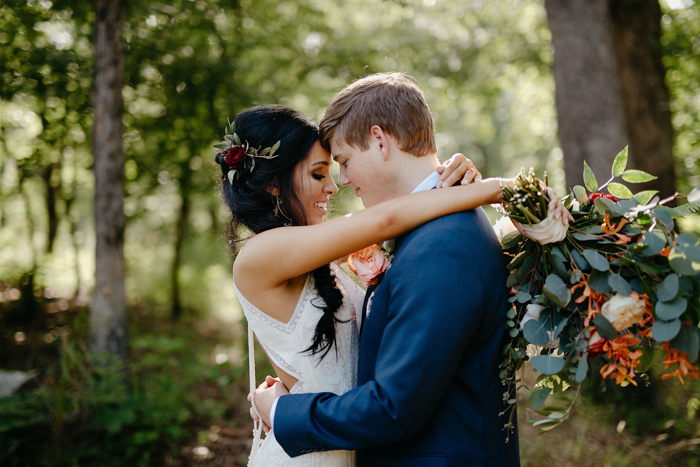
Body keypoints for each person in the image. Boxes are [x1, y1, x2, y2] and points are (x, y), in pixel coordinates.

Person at [249, 73, 556, 467]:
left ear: (380, 140)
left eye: (343, 161)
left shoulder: (442, 243)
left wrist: (281, 413)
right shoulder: (434, 227)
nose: (342, 181)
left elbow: (394, 406)